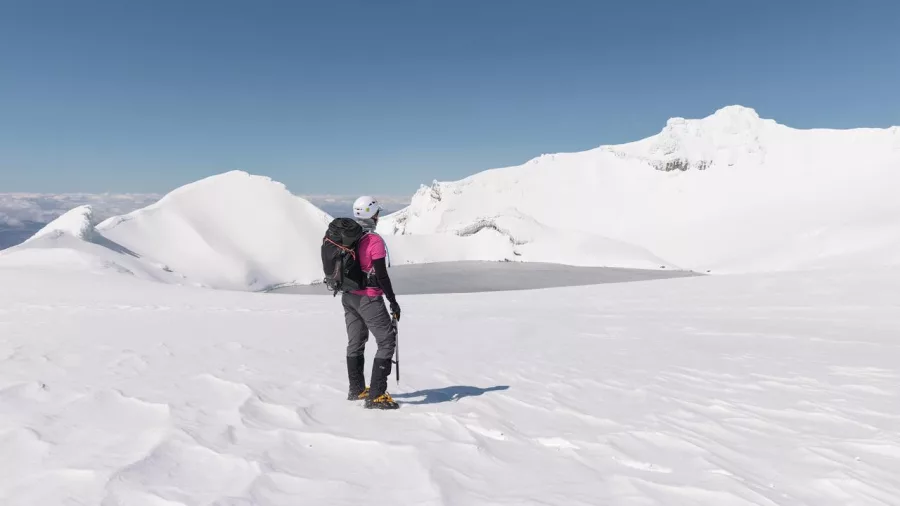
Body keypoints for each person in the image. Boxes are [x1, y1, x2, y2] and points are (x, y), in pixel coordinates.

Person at [343, 195, 401, 410]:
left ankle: (357, 389)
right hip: (369, 297)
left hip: (348, 296)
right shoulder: (373, 240)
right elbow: (382, 275)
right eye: (377, 212)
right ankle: (376, 395)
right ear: (372, 215)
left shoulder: (349, 236)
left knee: (355, 342)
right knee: (386, 341)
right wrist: (393, 302)